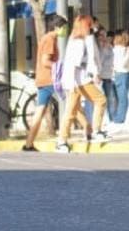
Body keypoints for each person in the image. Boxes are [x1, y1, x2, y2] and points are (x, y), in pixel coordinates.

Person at [56, 14, 110, 153]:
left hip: (75, 81)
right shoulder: (79, 41)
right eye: (90, 24)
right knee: (101, 100)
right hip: (78, 81)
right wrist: (94, 74)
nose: (92, 26)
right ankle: (96, 131)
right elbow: (78, 63)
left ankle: (64, 141)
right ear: (86, 25)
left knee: (72, 111)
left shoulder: (77, 38)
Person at [22, 15, 66, 151]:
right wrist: (59, 66)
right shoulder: (50, 39)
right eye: (64, 27)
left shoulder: (48, 38)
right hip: (50, 79)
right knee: (72, 103)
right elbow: (45, 61)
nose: (65, 30)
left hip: (44, 79)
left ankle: (28, 143)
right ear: (57, 27)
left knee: (39, 112)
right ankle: (87, 132)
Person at [108, 30, 129, 134]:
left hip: (115, 75)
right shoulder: (123, 50)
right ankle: (119, 118)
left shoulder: (114, 49)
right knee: (122, 98)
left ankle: (116, 117)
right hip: (122, 74)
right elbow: (124, 64)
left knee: (116, 98)